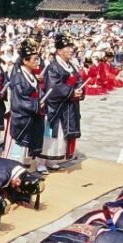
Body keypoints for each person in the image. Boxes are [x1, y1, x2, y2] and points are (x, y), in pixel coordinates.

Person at [42, 32, 84, 167]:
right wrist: (71, 92)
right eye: (68, 47)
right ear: (59, 50)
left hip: (69, 105)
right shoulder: (53, 67)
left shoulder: (71, 66)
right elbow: (54, 86)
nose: (71, 50)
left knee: (62, 133)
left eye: (72, 47)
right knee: (52, 133)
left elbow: (79, 80)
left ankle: (54, 158)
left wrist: (80, 91)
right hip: (56, 106)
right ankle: (43, 160)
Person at [5, 38, 47, 171]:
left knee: (26, 151)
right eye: (34, 59)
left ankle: (23, 173)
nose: (37, 62)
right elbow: (18, 102)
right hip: (21, 119)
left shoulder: (31, 76)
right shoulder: (18, 78)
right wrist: (36, 105)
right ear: (25, 61)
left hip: (31, 118)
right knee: (17, 153)